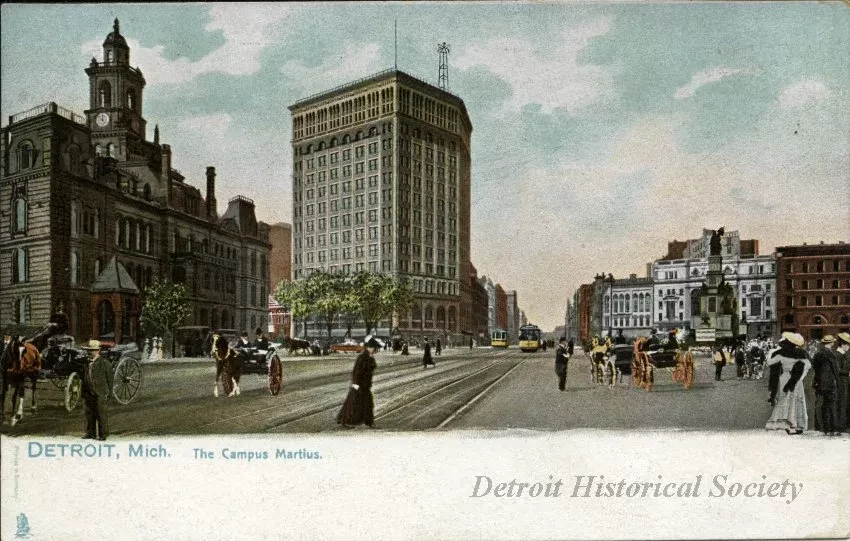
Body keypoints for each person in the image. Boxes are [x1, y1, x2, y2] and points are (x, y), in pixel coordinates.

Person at [765, 332, 811, 435]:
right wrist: (801, 377)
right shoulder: (802, 353)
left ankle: (786, 424)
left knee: (785, 399)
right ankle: (799, 425)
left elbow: (770, 362)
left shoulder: (781, 353)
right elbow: (807, 366)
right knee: (798, 400)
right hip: (797, 379)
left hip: (785, 378)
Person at [337, 335, 382, 428]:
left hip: (365, 385)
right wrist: (355, 383)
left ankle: (367, 422)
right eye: (373, 348)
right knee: (354, 403)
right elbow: (356, 371)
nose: (374, 350)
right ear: (369, 347)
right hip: (360, 384)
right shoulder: (362, 357)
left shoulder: (369, 357)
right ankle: (346, 421)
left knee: (365, 403)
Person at [81, 340, 112, 440]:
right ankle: (90, 433)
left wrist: (109, 393)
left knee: (101, 414)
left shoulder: (104, 363)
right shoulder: (86, 363)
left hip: (100, 392)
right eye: (88, 350)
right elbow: (84, 378)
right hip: (88, 392)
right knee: (89, 413)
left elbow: (110, 379)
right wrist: (83, 392)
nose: (89, 352)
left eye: (92, 350)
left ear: (98, 351)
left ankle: (103, 434)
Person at [811, 335, 840, 435]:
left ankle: (824, 429)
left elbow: (814, 366)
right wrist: (838, 381)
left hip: (819, 382)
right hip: (830, 383)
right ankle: (833, 429)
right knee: (831, 405)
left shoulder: (818, 354)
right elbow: (835, 370)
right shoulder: (831, 354)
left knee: (821, 405)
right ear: (831, 343)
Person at [835, 332, 850, 432]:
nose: (848, 347)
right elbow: (837, 370)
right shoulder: (837, 355)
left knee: (845, 403)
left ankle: (844, 425)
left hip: (845, 383)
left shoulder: (843, 354)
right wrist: (848, 373)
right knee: (842, 403)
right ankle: (841, 426)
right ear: (843, 344)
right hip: (840, 383)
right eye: (848, 345)